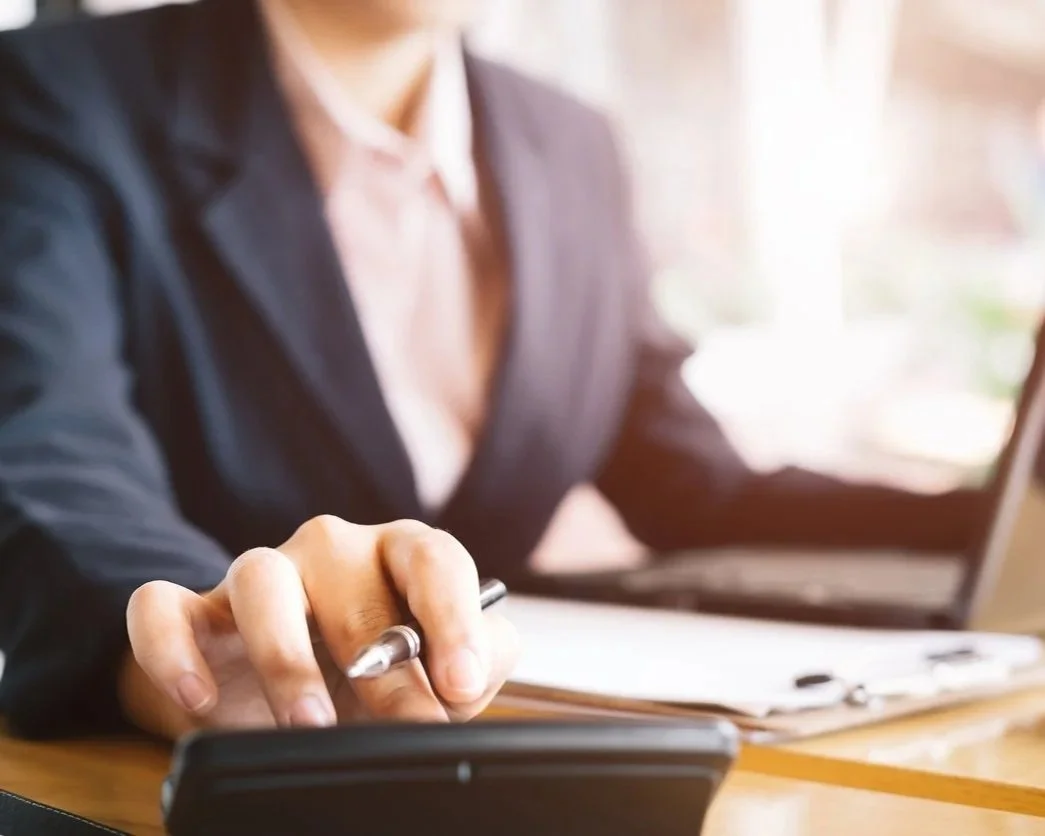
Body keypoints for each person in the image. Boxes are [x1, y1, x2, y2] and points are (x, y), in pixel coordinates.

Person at [0, 0, 981, 741]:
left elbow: (694, 484)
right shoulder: (55, 94)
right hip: (231, 767)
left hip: (497, 745)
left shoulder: (570, 143)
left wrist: (982, 518)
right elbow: (46, 448)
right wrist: (190, 650)